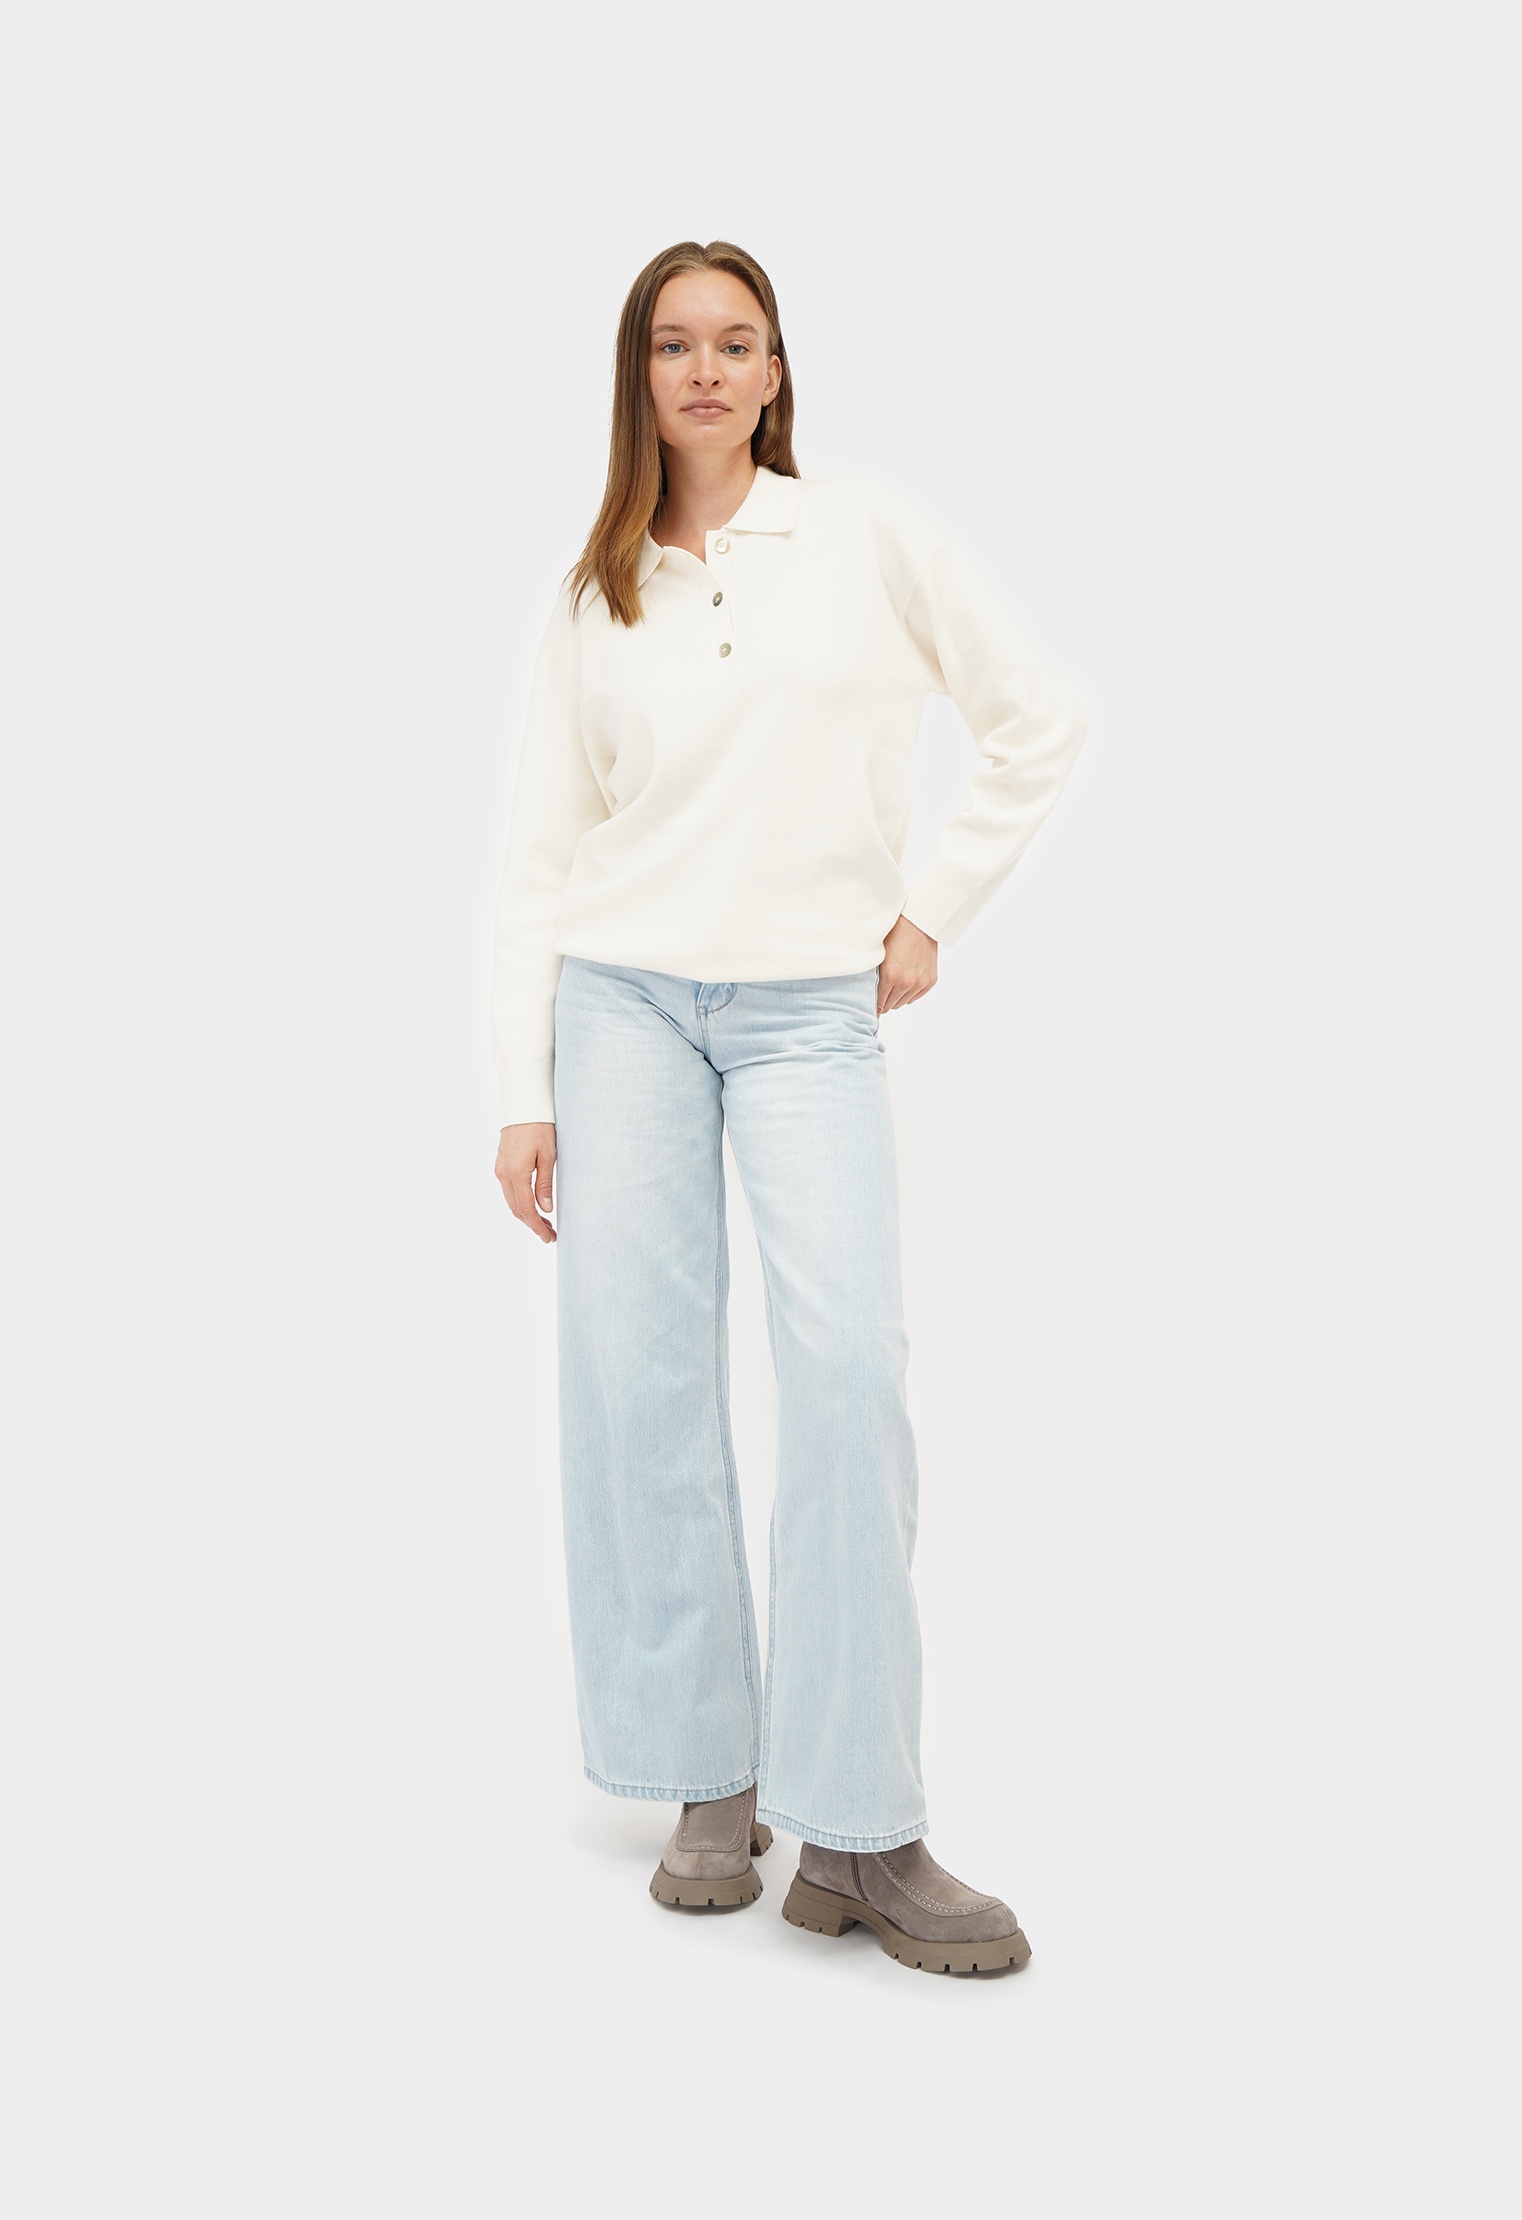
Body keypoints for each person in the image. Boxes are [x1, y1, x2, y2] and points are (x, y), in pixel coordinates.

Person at [490, 239, 1087, 1975]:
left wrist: (930, 912)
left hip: (811, 1011)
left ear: (774, 372)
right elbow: (538, 849)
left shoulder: (864, 537)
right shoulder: (597, 586)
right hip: (619, 1007)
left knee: (841, 1382)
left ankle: (861, 1824)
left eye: (734, 342)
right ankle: (706, 1774)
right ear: (638, 375)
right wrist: (519, 1088)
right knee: (638, 1388)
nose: (704, 370)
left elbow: (1037, 722)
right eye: (673, 343)